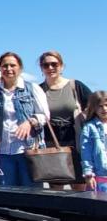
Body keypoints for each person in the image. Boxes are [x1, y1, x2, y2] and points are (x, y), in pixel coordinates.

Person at [0, 52, 49, 187]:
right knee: (7, 191)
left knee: (32, 191)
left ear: (20, 68)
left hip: (28, 149)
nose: (8, 69)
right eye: (5, 66)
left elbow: (44, 115)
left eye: (12, 65)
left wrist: (30, 122)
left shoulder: (32, 88)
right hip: (3, 150)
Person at [38, 50, 93, 191]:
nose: (50, 68)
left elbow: (96, 105)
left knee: (79, 186)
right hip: (51, 141)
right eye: (46, 65)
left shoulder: (75, 86)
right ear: (41, 68)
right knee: (56, 186)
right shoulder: (38, 90)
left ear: (61, 66)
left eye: (54, 64)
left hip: (75, 139)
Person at [80, 91, 107, 192]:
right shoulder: (89, 127)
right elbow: (86, 152)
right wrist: (88, 174)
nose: (104, 109)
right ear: (94, 108)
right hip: (100, 178)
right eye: (100, 106)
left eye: (106, 105)